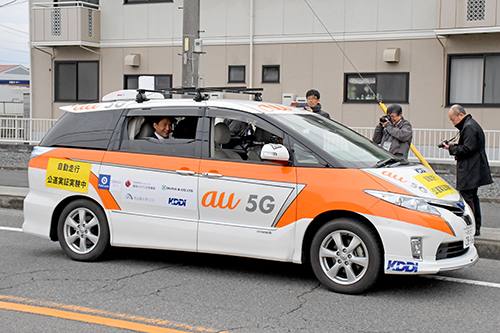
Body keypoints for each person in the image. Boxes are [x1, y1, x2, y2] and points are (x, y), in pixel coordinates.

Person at [442, 104, 493, 236]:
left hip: (470, 169)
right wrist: (456, 145)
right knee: (472, 197)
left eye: (453, 119)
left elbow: (468, 149)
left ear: (461, 115)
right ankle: (476, 227)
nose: (453, 123)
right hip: (474, 168)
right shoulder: (470, 124)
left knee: (468, 198)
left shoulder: (469, 127)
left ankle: (472, 227)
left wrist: (451, 148)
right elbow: (469, 146)